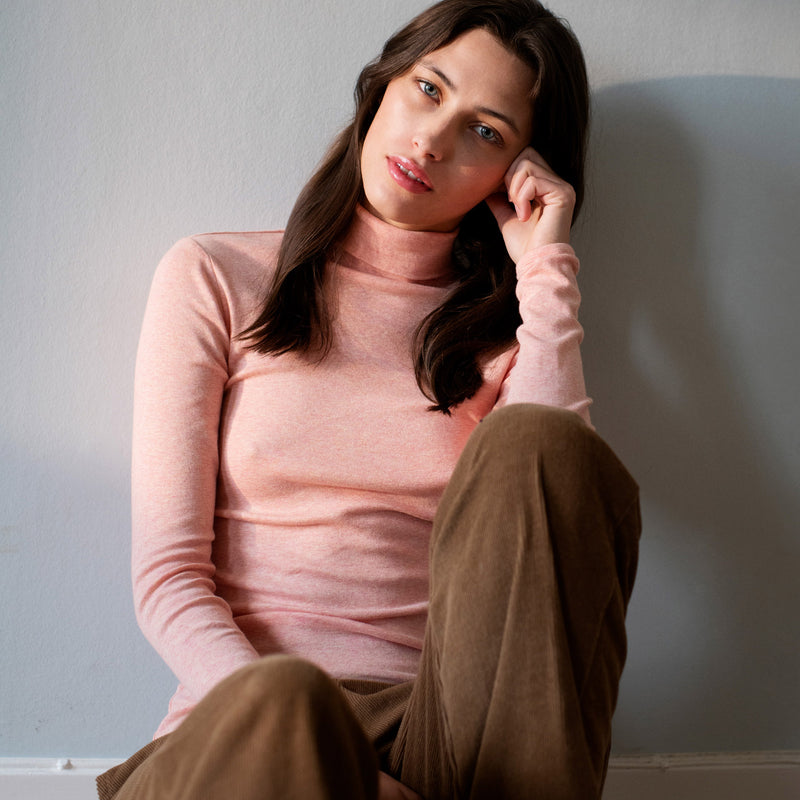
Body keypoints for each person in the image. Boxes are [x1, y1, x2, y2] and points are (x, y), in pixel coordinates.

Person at [98, 1, 640, 798]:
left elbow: (557, 550)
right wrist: (318, 751)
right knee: (289, 700)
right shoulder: (214, 277)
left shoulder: (512, 342)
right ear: (382, 84)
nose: (432, 141)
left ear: (515, 173)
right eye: (429, 89)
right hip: (240, 729)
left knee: (544, 447)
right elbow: (168, 580)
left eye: (484, 132)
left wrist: (545, 270)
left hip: (435, 744)